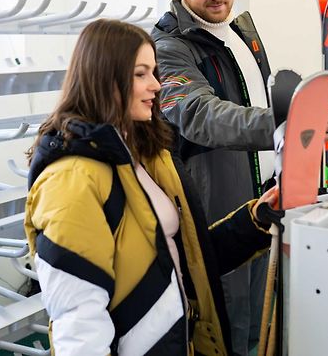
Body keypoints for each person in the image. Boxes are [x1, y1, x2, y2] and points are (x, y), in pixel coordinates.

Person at [24, 19, 283, 356]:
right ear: (104, 79)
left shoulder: (149, 155)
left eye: (154, 72)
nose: (156, 85)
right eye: (140, 74)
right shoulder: (71, 181)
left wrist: (257, 219)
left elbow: (190, 258)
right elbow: (79, 324)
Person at [151, 0, 328, 355]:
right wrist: (286, 122)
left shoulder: (240, 32)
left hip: (263, 195)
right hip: (216, 201)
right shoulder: (168, 48)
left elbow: (258, 99)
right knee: (227, 322)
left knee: (262, 314)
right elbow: (199, 114)